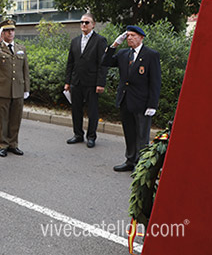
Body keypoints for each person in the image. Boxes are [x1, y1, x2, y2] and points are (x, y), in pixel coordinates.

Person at [102, 25, 161, 172]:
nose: (129, 38)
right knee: (129, 133)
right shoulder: (123, 54)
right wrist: (114, 44)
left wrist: (152, 105)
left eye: (133, 35)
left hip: (142, 103)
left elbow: (155, 81)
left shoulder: (151, 55)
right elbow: (105, 62)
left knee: (142, 136)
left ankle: (142, 166)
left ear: (141, 37)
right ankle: (130, 160)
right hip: (125, 100)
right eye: (127, 36)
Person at [0, 19, 30, 157]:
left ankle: (13, 144)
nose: (10, 33)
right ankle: (3, 144)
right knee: (2, 119)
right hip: (2, 88)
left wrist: (26, 88)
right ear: (2, 33)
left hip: (18, 88)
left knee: (16, 118)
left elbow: (25, 70)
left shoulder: (21, 48)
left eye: (12, 30)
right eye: (7, 30)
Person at [64, 13, 108, 148]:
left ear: (93, 24)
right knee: (76, 109)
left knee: (92, 111)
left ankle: (91, 136)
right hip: (76, 82)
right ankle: (78, 134)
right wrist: (67, 82)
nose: (84, 24)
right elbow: (70, 63)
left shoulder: (100, 40)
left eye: (87, 22)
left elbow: (103, 64)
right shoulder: (75, 41)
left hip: (92, 82)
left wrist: (101, 83)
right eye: (82, 22)